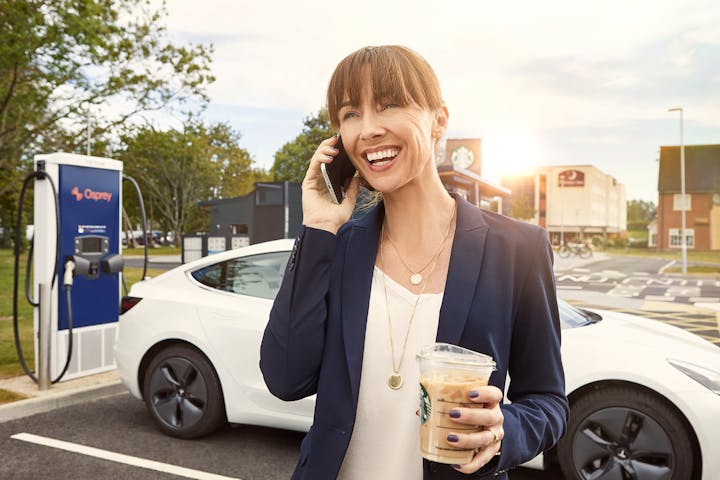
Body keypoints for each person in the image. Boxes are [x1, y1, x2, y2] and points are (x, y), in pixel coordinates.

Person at [260, 45, 568, 480]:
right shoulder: (338, 245)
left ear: (439, 120)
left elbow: (549, 402)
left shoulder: (518, 249)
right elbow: (284, 378)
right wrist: (317, 229)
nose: (368, 130)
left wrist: (504, 431)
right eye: (350, 114)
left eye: (389, 105)